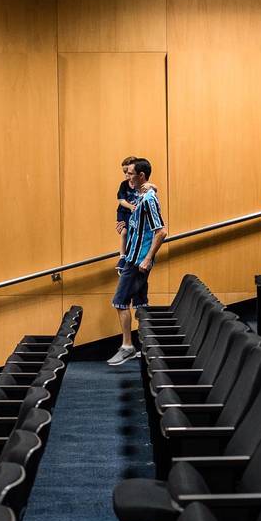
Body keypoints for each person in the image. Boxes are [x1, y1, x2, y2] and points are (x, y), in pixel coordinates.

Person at [108, 157, 167, 366]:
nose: (127, 177)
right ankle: (146, 346)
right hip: (132, 258)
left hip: (138, 261)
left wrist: (148, 258)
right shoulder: (142, 195)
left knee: (120, 301)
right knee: (140, 303)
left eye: (131, 174)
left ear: (141, 176)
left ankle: (127, 347)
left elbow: (161, 232)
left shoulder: (149, 198)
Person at [115, 156, 139, 271]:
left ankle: (130, 256)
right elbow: (121, 200)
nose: (126, 175)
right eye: (124, 172)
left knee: (132, 233)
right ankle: (122, 257)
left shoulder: (140, 184)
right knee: (124, 232)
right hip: (124, 212)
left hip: (134, 214)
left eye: (128, 172)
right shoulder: (124, 184)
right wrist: (131, 206)